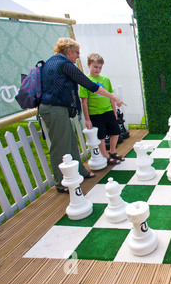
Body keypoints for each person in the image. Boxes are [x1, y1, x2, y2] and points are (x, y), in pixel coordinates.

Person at [38, 38, 125, 193]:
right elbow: (90, 85)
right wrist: (114, 97)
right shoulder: (64, 64)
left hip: (59, 108)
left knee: (71, 142)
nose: (78, 56)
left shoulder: (53, 62)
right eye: (77, 52)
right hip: (54, 109)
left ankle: (80, 171)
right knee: (60, 147)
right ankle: (61, 182)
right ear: (68, 51)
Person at [79, 53, 125, 164]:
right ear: (88, 65)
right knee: (101, 136)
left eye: (100, 67)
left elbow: (111, 97)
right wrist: (87, 119)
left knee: (116, 131)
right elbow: (84, 102)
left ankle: (113, 152)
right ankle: (105, 155)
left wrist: (114, 111)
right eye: (95, 66)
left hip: (108, 110)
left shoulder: (105, 79)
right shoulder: (85, 81)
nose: (97, 69)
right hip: (95, 113)